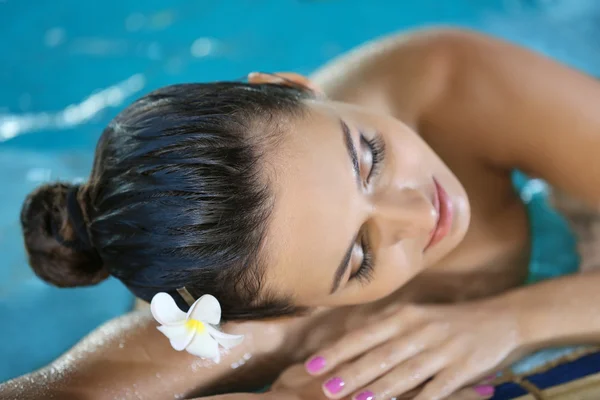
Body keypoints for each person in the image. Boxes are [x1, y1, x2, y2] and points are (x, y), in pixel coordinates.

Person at [3, 27, 600, 400]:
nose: (416, 212)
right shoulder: (246, 325)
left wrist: (511, 322)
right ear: (298, 308)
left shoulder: (444, 82)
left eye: (368, 157)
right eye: (361, 256)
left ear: (294, 86)